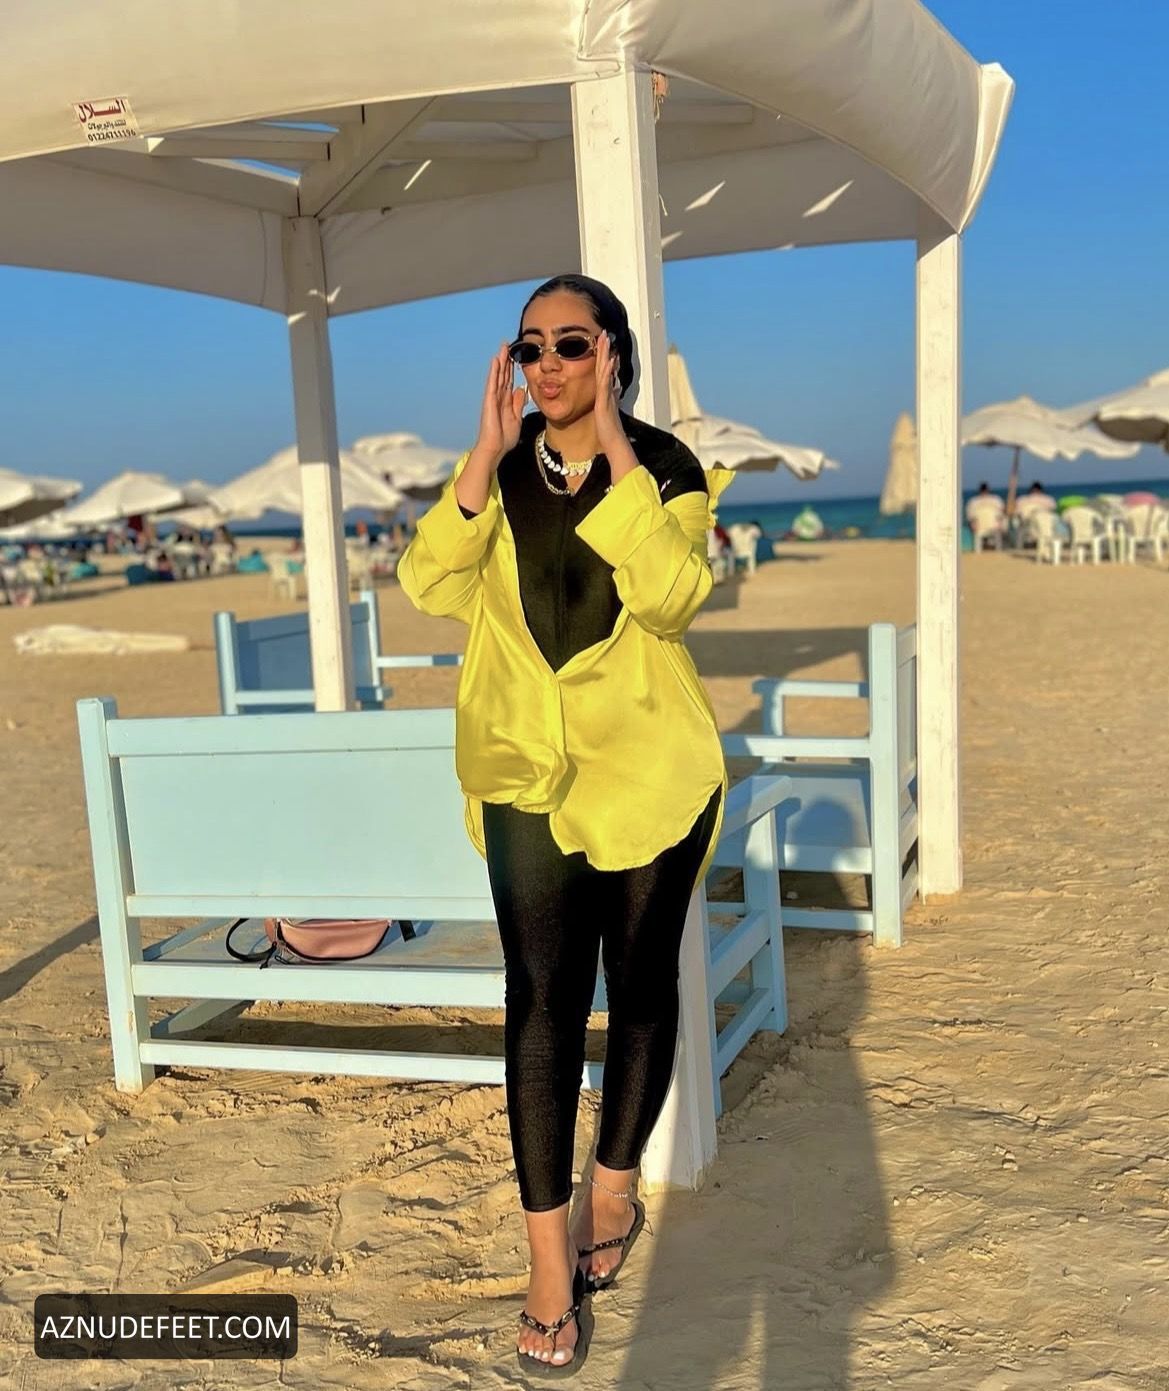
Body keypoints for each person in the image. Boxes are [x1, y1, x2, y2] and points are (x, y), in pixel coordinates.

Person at [397, 273, 735, 1373]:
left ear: (612, 355)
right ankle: (548, 1263)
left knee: (638, 985)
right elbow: (426, 585)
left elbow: (672, 598)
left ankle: (614, 1186)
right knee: (540, 1000)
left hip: (647, 768)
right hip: (523, 768)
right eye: (529, 346)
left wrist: (620, 456)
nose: (547, 364)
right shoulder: (499, 474)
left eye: (571, 344)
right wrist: (479, 455)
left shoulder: (667, 470)